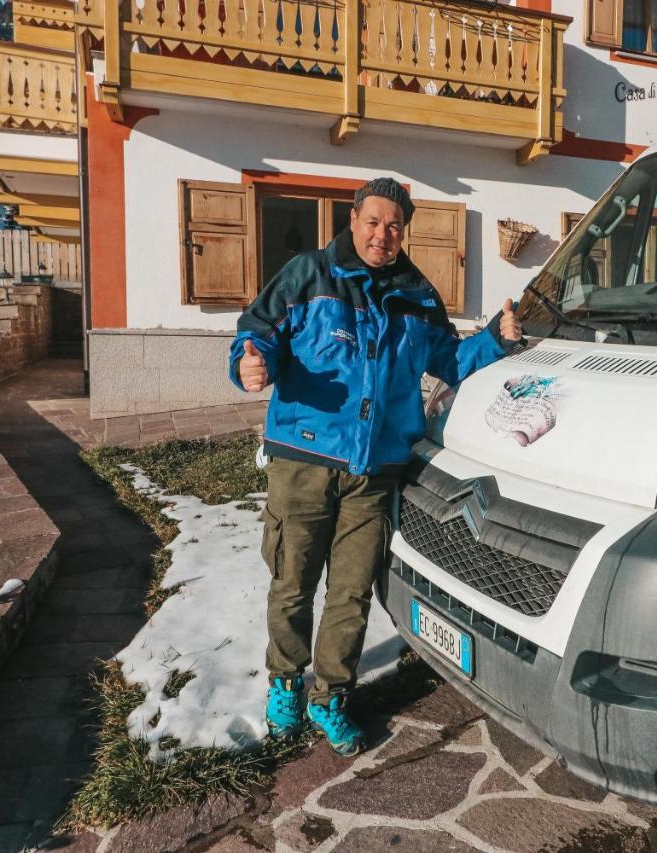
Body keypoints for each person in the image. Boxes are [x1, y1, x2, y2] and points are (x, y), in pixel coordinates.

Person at [228, 178, 522, 756]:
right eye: (373, 221)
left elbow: (450, 360)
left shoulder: (417, 293)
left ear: (403, 230)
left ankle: (330, 696)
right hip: (304, 460)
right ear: (353, 218)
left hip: (375, 472)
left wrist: (494, 339)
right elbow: (257, 335)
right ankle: (286, 683)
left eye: (394, 225)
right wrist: (248, 362)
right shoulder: (307, 275)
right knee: (292, 583)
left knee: (351, 591)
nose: (382, 235)